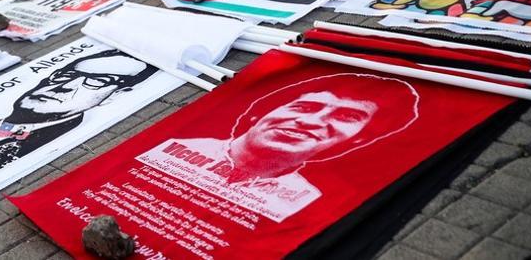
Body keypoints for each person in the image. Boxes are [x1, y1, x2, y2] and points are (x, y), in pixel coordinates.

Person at [138, 73, 419, 220]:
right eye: (305, 106)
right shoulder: (167, 148)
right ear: (260, 112)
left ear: (358, 138)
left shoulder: (311, 203)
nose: (312, 121)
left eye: (347, 117)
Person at [0, 50, 155, 181]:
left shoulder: (65, 150)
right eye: (65, 75)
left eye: (98, 81)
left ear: (115, 95)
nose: (65, 87)